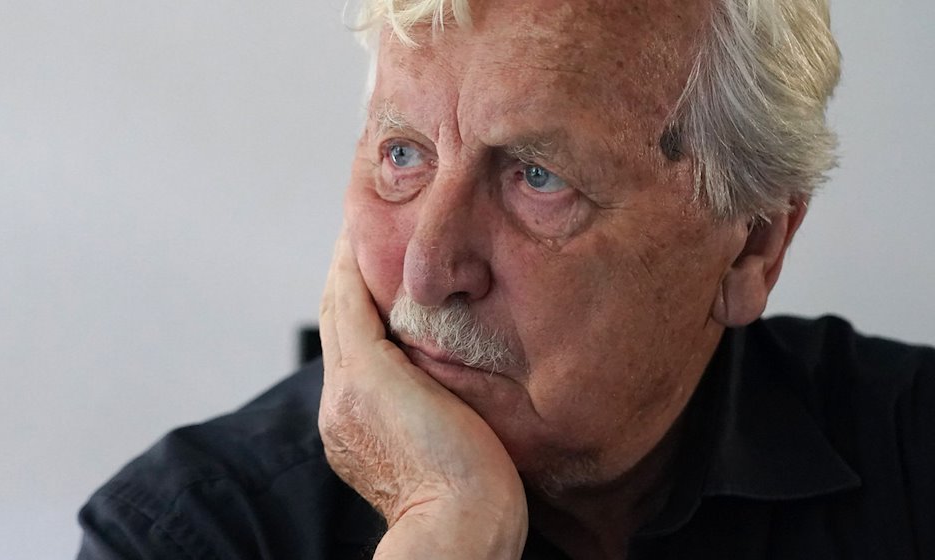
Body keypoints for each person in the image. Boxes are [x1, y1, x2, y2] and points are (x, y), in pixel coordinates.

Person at [77, 0, 935, 558]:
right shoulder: (189, 534)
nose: (428, 269)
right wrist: (443, 528)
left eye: (536, 176)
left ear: (751, 246)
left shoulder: (915, 451)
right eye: (402, 155)